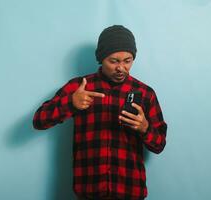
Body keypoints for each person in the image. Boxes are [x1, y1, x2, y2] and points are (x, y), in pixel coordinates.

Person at [33, 25, 167, 200]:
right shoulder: (79, 87)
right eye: (114, 61)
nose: (121, 68)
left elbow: (159, 144)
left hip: (130, 191)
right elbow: (39, 121)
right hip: (89, 191)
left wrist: (144, 128)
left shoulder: (145, 93)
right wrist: (71, 103)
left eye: (128, 60)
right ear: (101, 58)